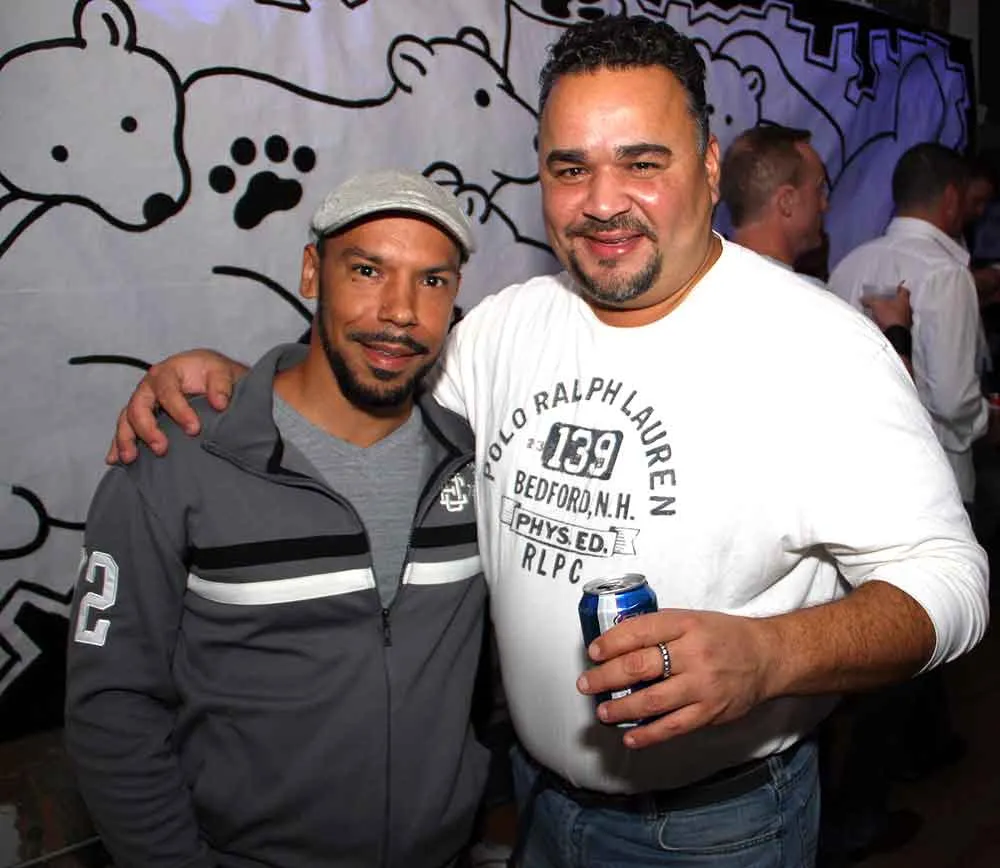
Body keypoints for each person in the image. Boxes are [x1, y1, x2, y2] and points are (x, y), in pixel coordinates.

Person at [106, 17, 989, 868]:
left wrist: (771, 657)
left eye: (642, 163)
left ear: (710, 167)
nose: (602, 203)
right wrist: (238, 382)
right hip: (528, 801)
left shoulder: (819, 347)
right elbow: (366, 393)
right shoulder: (503, 328)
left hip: (713, 829)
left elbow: (951, 582)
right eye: (571, 168)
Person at [65, 170, 492, 868]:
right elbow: (113, 706)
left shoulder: (479, 459)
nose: (399, 311)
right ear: (311, 272)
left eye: (432, 281)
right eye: (367, 271)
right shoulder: (178, 455)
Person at [829, 142, 988, 507]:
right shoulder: (946, 274)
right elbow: (953, 399)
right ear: (952, 197)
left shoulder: (849, 265)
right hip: (933, 483)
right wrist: (986, 421)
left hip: (855, 474)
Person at [720, 124, 913, 372]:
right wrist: (897, 330)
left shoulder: (691, 291)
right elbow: (890, 397)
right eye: (819, 189)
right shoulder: (815, 312)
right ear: (787, 201)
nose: (824, 205)